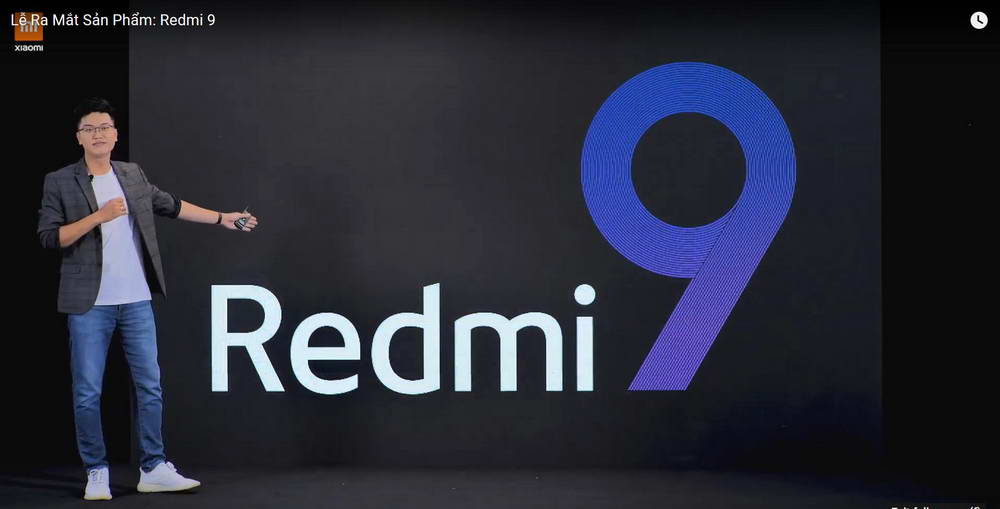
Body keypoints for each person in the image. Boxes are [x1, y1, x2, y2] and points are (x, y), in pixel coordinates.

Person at [36, 97, 259, 501]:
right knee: (88, 392)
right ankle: (96, 471)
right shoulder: (60, 180)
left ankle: (153, 467)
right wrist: (98, 216)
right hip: (89, 304)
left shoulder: (131, 174)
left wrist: (222, 218)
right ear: (79, 137)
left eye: (105, 127)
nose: (99, 134)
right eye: (90, 129)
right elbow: (50, 237)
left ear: (115, 134)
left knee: (150, 386)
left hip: (136, 299)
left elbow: (170, 205)